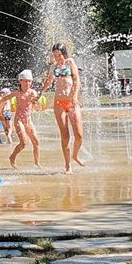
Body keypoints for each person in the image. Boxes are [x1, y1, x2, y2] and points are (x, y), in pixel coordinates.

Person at [41, 43, 84, 172]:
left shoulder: (70, 62)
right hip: (58, 103)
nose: (57, 58)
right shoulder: (53, 66)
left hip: (71, 101)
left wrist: (74, 96)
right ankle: (68, 165)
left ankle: (75, 155)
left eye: (59, 55)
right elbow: (49, 81)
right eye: (54, 55)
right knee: (65, 135)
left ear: (63, 53)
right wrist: (40, 93)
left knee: (79, 135)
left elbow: (76, 80)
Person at [0, 70, 41, 169]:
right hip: (19, 120)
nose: (27, 83)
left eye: (29, 81)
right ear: (20, 81)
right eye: (25, 81)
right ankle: (12, 156)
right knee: (24, 143)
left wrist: (36, 103)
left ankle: (37, 163)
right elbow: (4, 99)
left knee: (36, 142)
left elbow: (37, 106)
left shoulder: (33, 92)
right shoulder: (17, 93)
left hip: (28, 120)